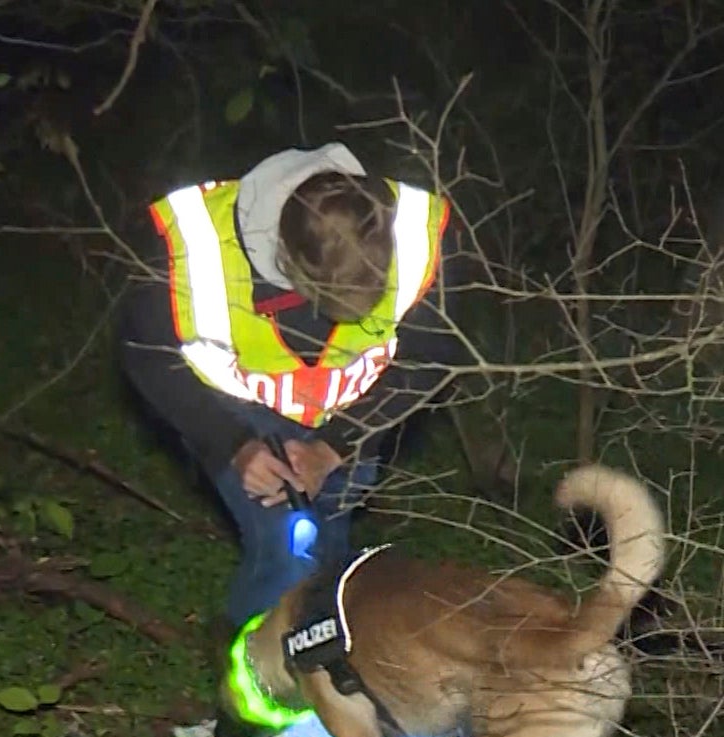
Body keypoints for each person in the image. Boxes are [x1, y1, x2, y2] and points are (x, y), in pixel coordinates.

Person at [119, 142, 475, 631]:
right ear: (284, 260)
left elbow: (432, 354)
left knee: (330, 554)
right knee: (287, 551)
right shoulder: (195, 243)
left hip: (358, 409)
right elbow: (147, 356)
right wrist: (234, 447)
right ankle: (252, 690)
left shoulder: (416, 233)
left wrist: (337, 445)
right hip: (239, 413)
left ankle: (325, 677)